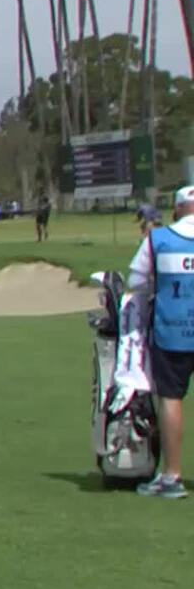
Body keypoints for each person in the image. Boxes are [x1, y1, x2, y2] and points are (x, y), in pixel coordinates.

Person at [128, 186, 194, 499]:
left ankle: (171, 476)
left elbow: (136, 281)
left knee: (170, 398)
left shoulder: (158, 239)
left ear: (178, 208)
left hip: (173, 332)